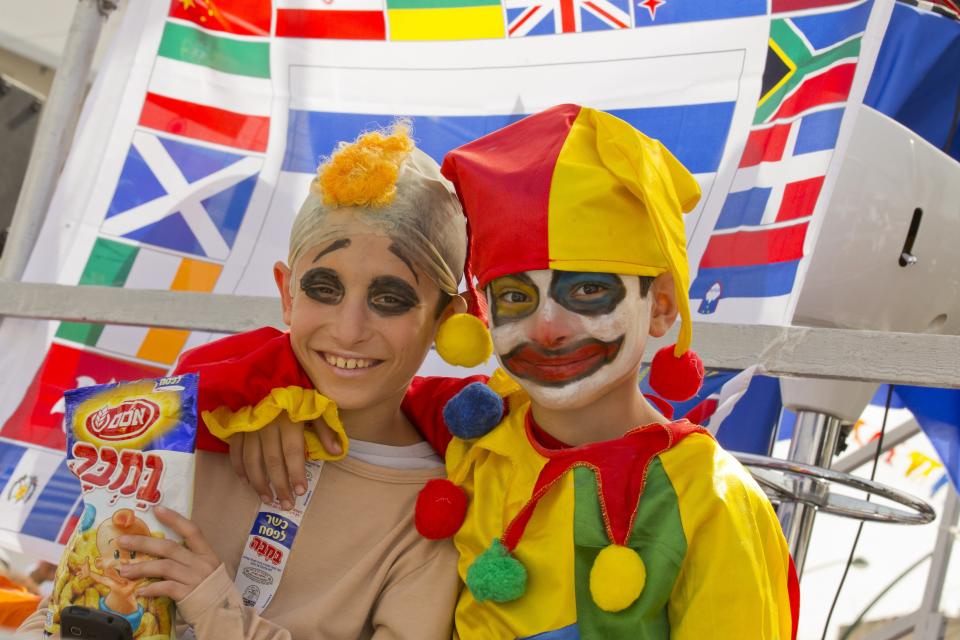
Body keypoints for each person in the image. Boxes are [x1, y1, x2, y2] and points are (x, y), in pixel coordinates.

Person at [220, 105, 800, 639]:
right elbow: (378, 396)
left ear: (663, 306)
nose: (548, 328)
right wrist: (277, 397)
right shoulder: (479, 447)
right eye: (518, 298)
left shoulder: (714, 500)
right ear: (481, 317)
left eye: (589, 290)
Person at [18, 124, 480, 639]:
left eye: (389, 299)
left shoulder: (438, 506)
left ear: (446, 319)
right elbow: (66, 602)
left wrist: (214, 607)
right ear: (287, 294)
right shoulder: (200, 426)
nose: (350, 330)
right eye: (323, 288)